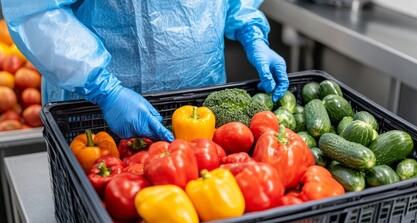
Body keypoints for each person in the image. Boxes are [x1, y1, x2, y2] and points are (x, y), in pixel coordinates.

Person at [1, 0, 289, 142]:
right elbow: (37, 10)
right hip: (96, 110)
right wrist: (104, 89)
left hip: (200, 102)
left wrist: (251, 30)